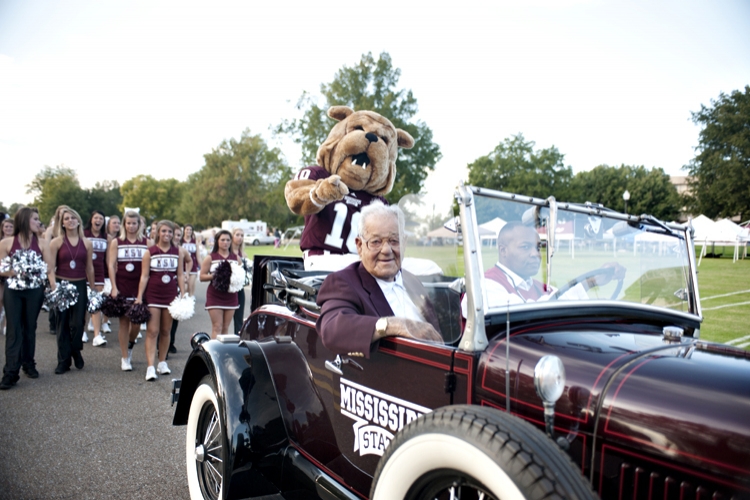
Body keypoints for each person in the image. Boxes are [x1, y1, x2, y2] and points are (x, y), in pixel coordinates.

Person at [316, 202, 442, 358]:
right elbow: (332, 331)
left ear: (404, 243)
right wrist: (395, 325)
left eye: (394, 241)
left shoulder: (412, 280)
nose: (387, 250)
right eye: (376, 242)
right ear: (360, 246)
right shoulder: (343, 283)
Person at [469, 222, 624, 310]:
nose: (536, 254)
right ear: (503, 250)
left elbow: (563, 300)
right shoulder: (485, 286)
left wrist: (592, 281)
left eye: (538, 248)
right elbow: (525, 311)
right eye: (525, 247)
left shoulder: (538, 287)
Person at [0, 208, 50, 389]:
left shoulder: (43, 244)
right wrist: (16, 271)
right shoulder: (7, 243)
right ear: (24, 221)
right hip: (13, 290)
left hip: (34, 291)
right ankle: (10, 372)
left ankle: (28, 363)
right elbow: (1, 268)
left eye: (38, 219)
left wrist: (49, 285)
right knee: (14, 330)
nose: (38, 222)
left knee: (30, 327)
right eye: (35, 219)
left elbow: (49, 268)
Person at [48, 207, 96, 374]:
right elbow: (50, 268)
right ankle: (63, 361)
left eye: (73, 218)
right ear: (62, 222)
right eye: (66, 218)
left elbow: (89, 267)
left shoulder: (87, 243)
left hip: (80, 284)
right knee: (62, 324)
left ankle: (75, 349)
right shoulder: (56, 242)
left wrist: (93, 288)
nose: (70, 221)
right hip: (61, 284)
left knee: (77, 323)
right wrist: (54, 286)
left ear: (78, 221)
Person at [136, 220, 185, 381]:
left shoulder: (178, 252)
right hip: (153, 295)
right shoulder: (150, 252)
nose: (167, 234)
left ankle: (162, 362)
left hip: (170, 295)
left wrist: (183, 293)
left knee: (166, 331)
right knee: (152, 331)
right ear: (158, 232)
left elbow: (179, 275)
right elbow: (144, 276)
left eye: (169, 232)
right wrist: (139, 297)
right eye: (163, 231)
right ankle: (150, 366)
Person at [107, 210, 148, 371]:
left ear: (139, 224)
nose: (131, 226)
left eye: (134, 223)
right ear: (124, 224)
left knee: (136, 323)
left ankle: (130, 345)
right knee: (123, 323)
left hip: (140, 287)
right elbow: (111, 265)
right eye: (128, 223)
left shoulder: (147, 242)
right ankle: (125, 357)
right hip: (122, 285)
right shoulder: (117, 242)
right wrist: (113, 286)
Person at [200, 229, 239, 339]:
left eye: (228, 240)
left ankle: (223, 353)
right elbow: (202, 276)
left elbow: (241, 277)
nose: (225, 242)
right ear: (217, 241)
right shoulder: (210, 257)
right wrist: (217, 276)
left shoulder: (236, 258)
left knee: (226, 327)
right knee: (217, 327)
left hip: (231, 296)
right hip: (215, 295)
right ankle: (214, 354)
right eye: (222, 240)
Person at [84, 210, 110, 346]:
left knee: (96, 303)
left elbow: (109, 259)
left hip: (99, 273)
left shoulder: (106, 237)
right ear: (91, 220)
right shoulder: (83, 234)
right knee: (82, 304)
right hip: (83, 272)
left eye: (101, 218)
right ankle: (82, 331)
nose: (98, 220)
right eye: (96, 218)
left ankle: (96, 335)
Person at [167, 226, 193, 355]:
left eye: (178, 235)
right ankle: (160, 343)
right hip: (161, 286)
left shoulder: (181, 250)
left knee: (174, 316)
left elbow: (190, 261)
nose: (176, 237)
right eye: (175, 234)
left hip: (177, 284)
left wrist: (187, 273)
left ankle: (170, 342)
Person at [231, 227, 251, 335]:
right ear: (232, 236)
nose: (240, 238)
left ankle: (237, 338)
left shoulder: (243, 254)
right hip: (228, 288)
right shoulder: (227, 252)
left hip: (240, 288)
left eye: (242, 235)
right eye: (237, 235)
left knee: (239, 318)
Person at [0, 217, 14, 336]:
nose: (8, 229)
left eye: (11, 226)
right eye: (6, 226)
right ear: (2, 228)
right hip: (1, 273)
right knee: (0, 299)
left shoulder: (17, 241)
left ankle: (6, 324)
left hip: (13, 274)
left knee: (9, 302)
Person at [182, 224, 199, 297]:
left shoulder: (195, 242)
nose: (188, 231)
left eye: (190, 230)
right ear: (184, 230)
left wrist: (203, 267)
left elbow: (198, 256)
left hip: (193, 266)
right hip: (182, 266)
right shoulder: (180, 241)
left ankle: (190, 301)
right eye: (187, 229)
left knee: (190, 287)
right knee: (184, 287)